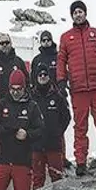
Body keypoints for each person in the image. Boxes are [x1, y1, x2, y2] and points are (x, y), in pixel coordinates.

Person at [57, 0, 96, 175]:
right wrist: (61, 80)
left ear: (85, 13)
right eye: (75, 13)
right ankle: (80, 161)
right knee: (80, 127)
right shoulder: (66, 37)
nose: (78, 15)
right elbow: (61, 60)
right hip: (78, 90)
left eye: (80, 11)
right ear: (72, 16)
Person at [30, 29, 71, 169]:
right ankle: (41, 157)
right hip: (39, 96)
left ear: (52, 40)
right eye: (43, 40)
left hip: (56, 95)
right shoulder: (37, 59)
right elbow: (32, 78)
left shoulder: (59, 56)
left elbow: (65, 73)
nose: (46, 42)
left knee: (58, 127)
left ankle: (62, 156)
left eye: (48, 40)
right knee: (40, 125)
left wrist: (63, 89)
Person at [30, 64, 71, 189]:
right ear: (36, 77)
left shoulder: (57, 96)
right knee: (37, 179)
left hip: (54, 145)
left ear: (49, 76)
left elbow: (66, 117)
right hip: (36, 145)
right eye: (40, 75)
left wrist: (58, 132)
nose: (42, 77)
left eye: (45, 74)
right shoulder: (30, 97)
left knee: (57, 178)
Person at [0, 33, 29, 103]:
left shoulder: (19, 62)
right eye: (2, 43)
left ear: (11, 43)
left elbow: (27, 82)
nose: (4, 45)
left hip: (17, 102)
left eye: (7, 42)